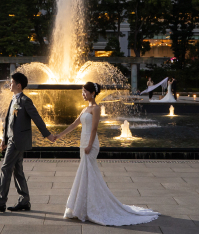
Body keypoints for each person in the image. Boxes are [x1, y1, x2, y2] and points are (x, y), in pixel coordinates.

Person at [54, 82, 159, 226]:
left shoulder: (96, 108)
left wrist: (90, 145)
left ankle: (90, 208)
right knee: (86, 174)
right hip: (83, 143)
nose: (83, 94)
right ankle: (84, 207)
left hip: (90, 143)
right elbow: (74, 125)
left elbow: (94, 128)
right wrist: (59, 136)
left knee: (87, 173)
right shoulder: (85, 108)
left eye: (85, 91)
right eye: (82, 91)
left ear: (92, 93)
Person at [0, 72, 55, 213]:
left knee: (5, 168)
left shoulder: (25, 101)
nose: (10, 84)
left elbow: (37, 118)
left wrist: (48, 135)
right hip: (11, 140)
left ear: (18, 85)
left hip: (17, 141)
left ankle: (0, 202)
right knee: (18, 171)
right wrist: (4, 139)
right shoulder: (13, 100)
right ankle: (24, 201)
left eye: (12, 82)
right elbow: (8, 121)